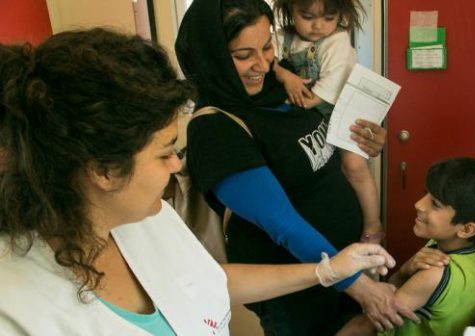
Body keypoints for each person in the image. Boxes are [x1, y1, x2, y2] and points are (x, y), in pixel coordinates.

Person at [0, 28, 396, 335]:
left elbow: (203, 279)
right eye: (165, 152)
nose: (177, 165)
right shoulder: (16, 310)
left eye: (267, 48)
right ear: (103, 171)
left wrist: (325, 272)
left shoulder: (150, 218)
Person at [175, 0, 417, 334]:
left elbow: (320, 152)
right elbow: (283, 224)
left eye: (266, 46)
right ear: (211, 56)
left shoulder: (283, 86)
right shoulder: (216, 130)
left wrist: (365, 142)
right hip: (298, 292)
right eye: (243, 55)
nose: (262, 64)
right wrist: (359, 286)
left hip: (346, 268)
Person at [337, 157, 475, 336]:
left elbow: (364, 325)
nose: (418, 204)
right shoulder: (463, 252)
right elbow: (393, 286)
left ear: (466, 229)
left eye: (435, 204)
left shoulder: (435, 272)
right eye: (426, 194)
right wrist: (406, 270)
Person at [271, 0, 383, 246]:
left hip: (338, 110)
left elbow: (311, 100)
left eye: (328, 18)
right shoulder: (281, 38)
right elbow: (269, 63)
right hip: (310, 115)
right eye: (307, 16)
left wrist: (284, 78)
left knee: (354, 166)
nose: (317, 26)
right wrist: (285, 75)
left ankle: (374, 223)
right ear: (290, 11)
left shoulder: (337, 43)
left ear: (340, 16)